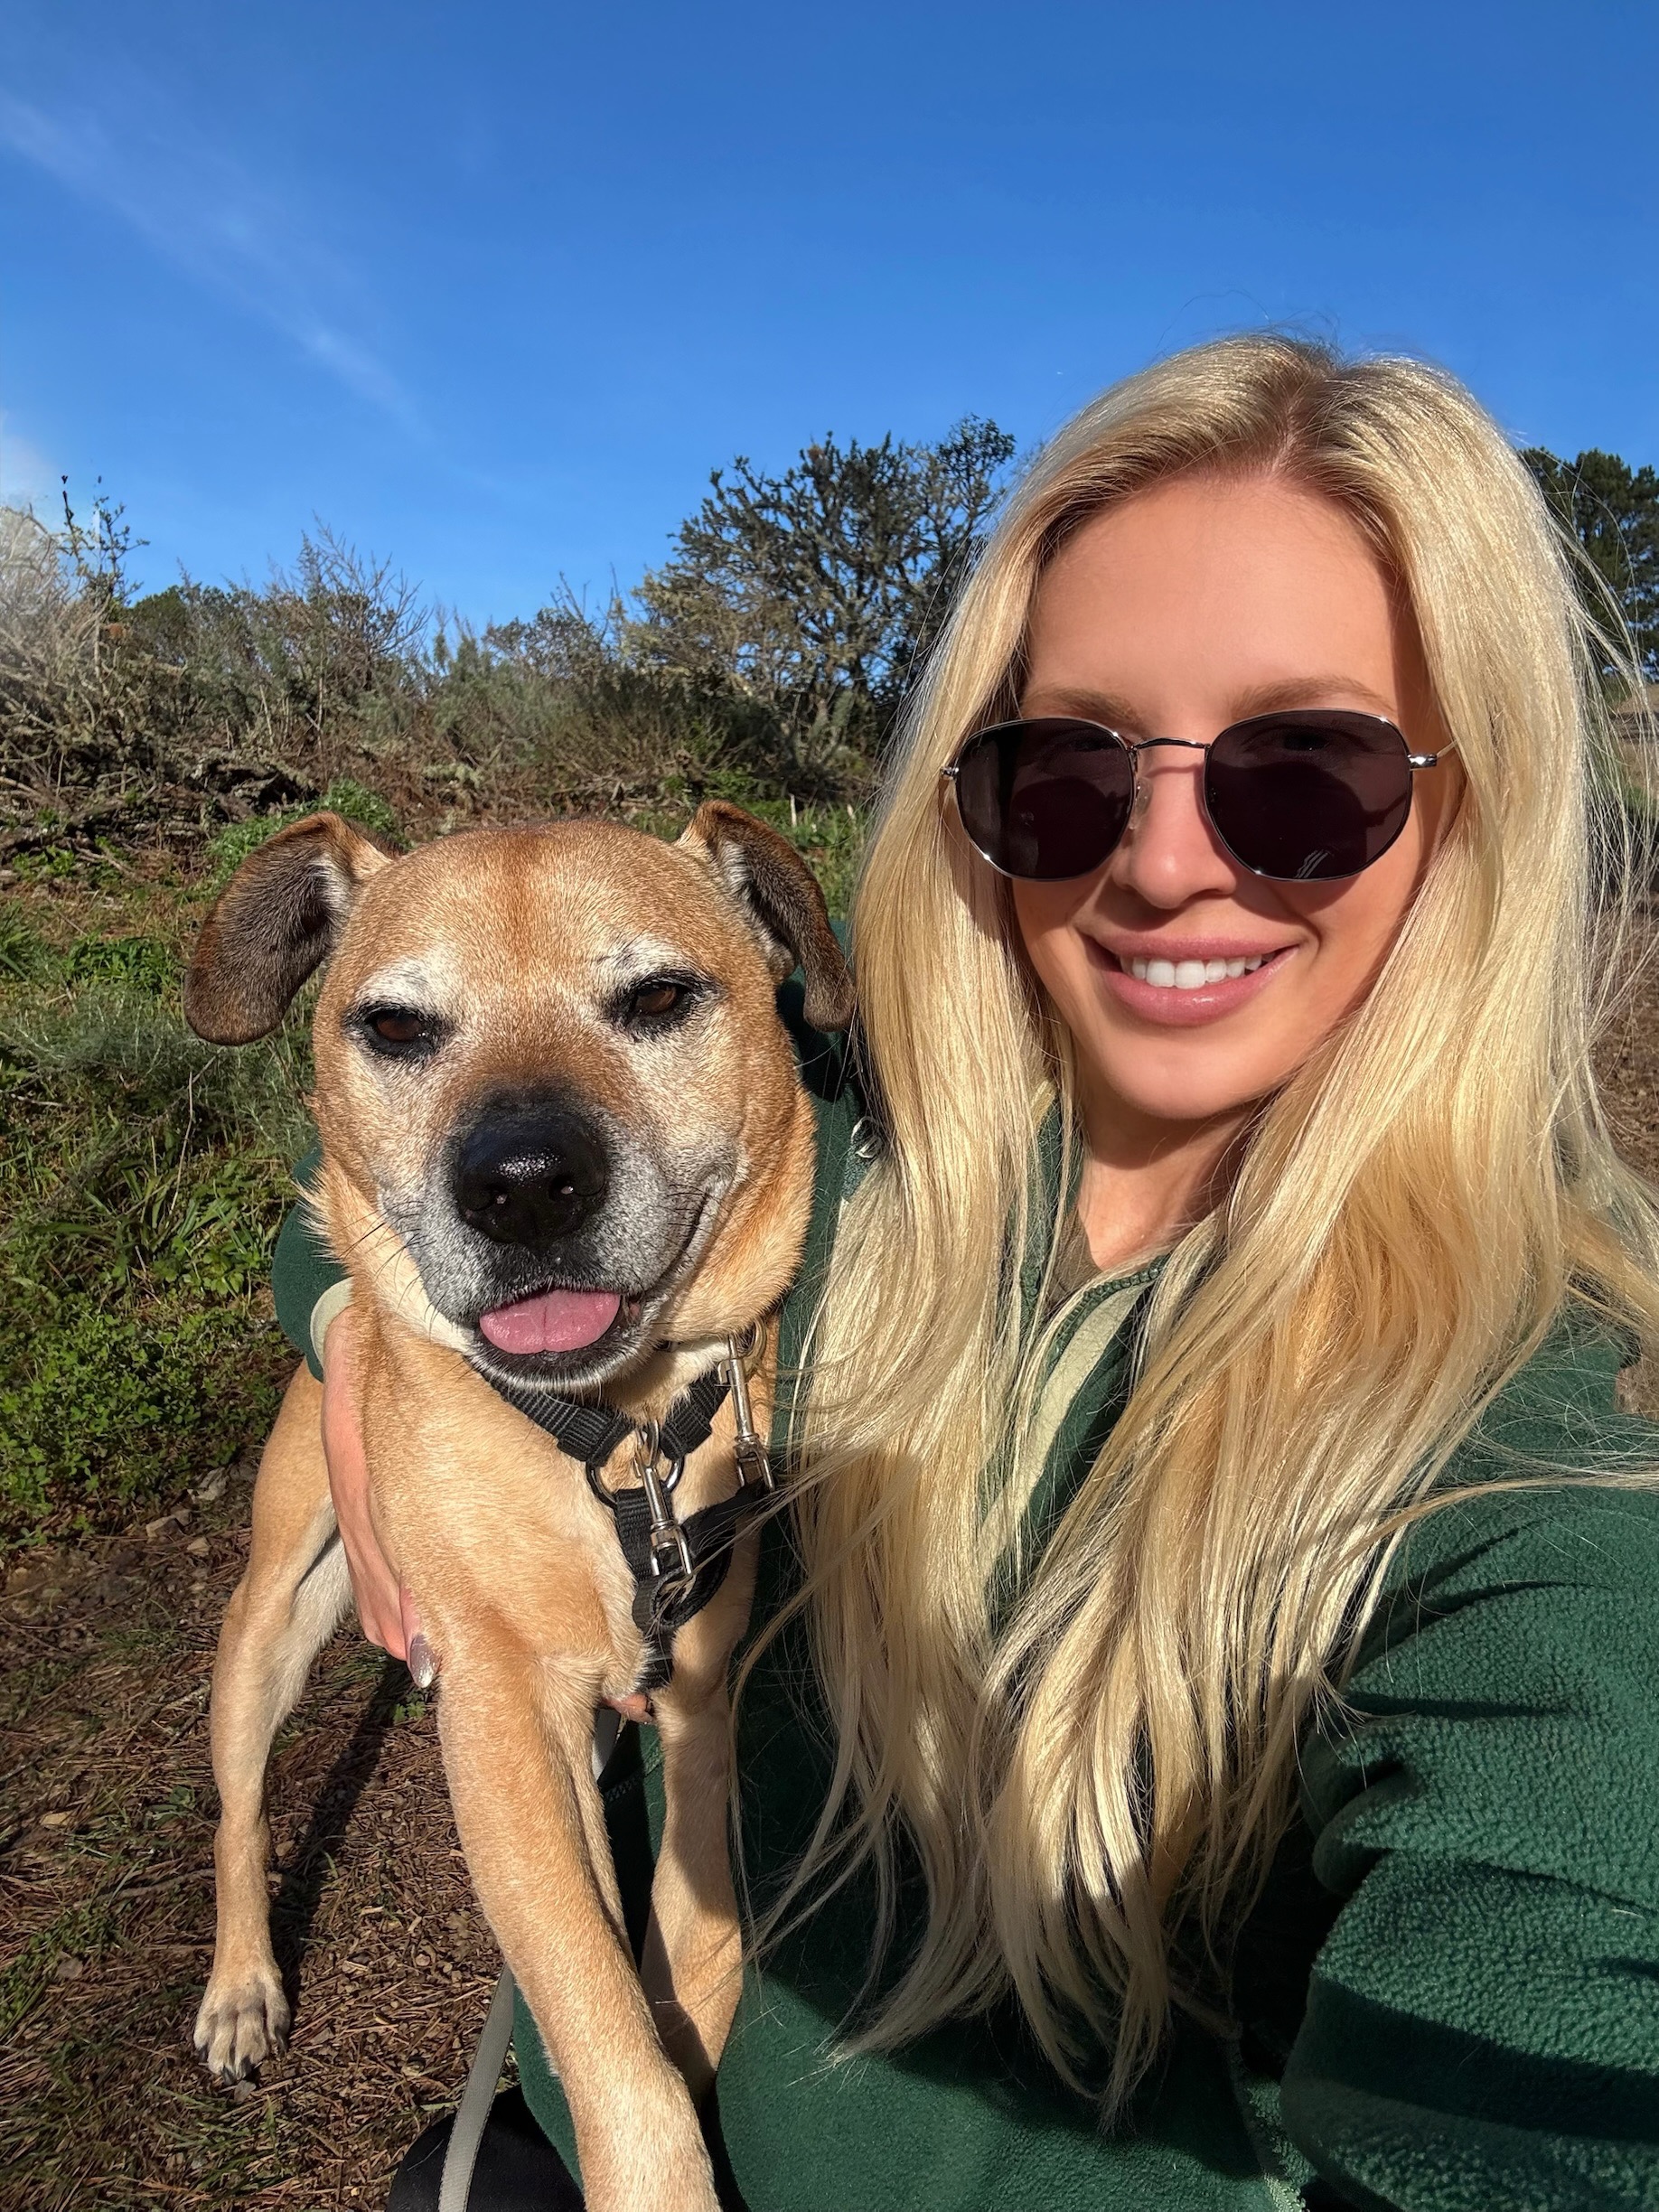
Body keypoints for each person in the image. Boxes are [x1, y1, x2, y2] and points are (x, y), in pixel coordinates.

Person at [271, 335, 1659, 2210]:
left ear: (1477, 804)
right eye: (1067, 767)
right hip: (586, 2125)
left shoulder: (1536, 1453)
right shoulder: (850, 1143)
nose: (1164, 862)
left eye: (1303, 773)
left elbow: (1561, 2012)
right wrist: (355, 1339)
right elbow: (419, 1190)